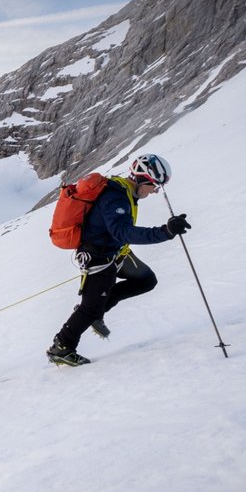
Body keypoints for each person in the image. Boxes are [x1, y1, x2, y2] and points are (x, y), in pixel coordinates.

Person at [46, 154, 191, 366]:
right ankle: (61, 348)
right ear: (142, 179)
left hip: (116, 253)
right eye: (153, 186)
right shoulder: (116, 196)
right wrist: (165, 232)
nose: (154, 191)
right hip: (98, 257)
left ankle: (98, 310)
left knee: (146, 280)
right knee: (90, 307)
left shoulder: (126, 193)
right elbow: (123, 232)